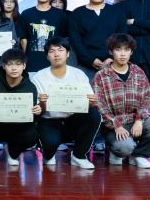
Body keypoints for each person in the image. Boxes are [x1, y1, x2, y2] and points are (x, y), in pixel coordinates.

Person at [92, 34, 150, 169]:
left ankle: (139, 155)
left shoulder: (138, 72)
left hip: (135, 121)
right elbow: (99, 105)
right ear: (111, 52)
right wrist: (116, 125)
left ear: (131, 52)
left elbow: (147, 99)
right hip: (113, 126)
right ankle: (116, 151)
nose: (123, 54)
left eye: (126, 50)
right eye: (118, 49)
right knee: (124, 147)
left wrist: (139, 119)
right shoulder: (101, 76)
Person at [32, 37, 101, 169]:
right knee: (50, 145)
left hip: (72, 119)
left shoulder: (78, 74)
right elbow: (38, 112)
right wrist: (43, 103)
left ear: (68, 54)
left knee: (93, 115)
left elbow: (86, 104)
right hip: (49, 121)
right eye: (52, 51)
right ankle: (47, 153)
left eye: (60, 50)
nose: (56, 54)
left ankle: (79, 155)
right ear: (47, 56)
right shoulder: (39, 77)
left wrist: (91, 102)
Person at [0, 48, 42, 171]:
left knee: (33, 135)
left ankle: (13, 152)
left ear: (24, 66)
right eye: (10, 64)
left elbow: (31, 116)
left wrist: (36, 111)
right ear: (3, 66)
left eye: (18, 64)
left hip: (17, 126)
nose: (14, 68)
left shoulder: (30, 87)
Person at [68, 0, 127, 80]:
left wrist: (111, 58)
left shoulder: (117, 12)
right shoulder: (77, 14)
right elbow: (76, 42)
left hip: (114, 64)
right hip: (85, 66)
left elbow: (122, 38)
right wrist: (90, 60)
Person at [16, 0, 68, 77]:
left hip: (54, 62)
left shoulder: (60, 15)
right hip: (32, 62)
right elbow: (23, 40)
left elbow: (63, 40)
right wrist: (25, 58)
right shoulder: (26, 14)